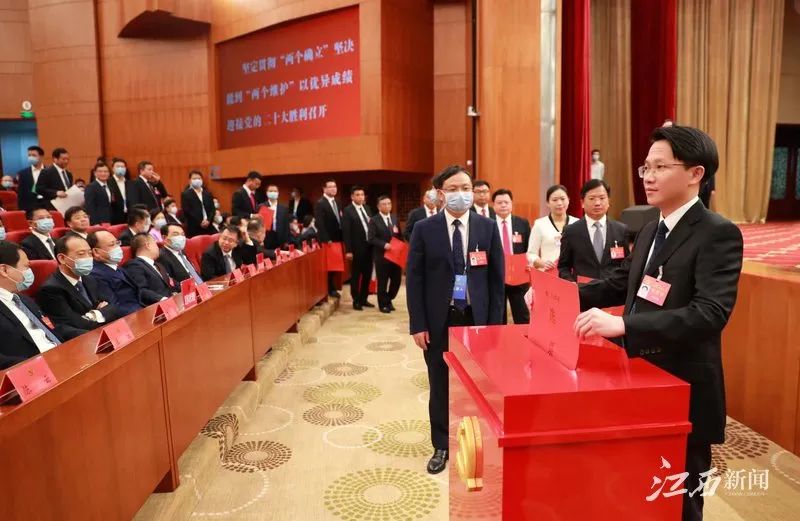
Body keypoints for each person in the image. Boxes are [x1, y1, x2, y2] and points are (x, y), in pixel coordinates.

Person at [573, 125, 743, 521]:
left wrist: (626, 327)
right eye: (645, 167)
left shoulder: (718, 233)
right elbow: (624, 282)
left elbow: (710, 313)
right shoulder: (651, 227)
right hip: (637, 378)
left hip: (683, 390)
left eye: (660, 167)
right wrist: (563, 294)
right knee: (636, 490)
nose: (648, 176)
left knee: (679, 502)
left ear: (696, 174)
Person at [406, 164, 505, 474]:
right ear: (440, 194)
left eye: (465, 188)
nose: (460, 194)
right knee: (440, 384)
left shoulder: (487, 228)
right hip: (439, 321)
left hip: (477, 320)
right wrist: (418, 325)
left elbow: (496, 282)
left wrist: (495, 327)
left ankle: (476, 439)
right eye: (453, 189)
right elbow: (415, 280)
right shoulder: (424, 229)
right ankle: (441, 445)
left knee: (477, 383)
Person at [0, 241, 67, 369]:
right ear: (4, 270)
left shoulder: (23, 299)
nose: (29, 272)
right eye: (26, 267)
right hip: (34, 371)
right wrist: (39, 366)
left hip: (61, 357)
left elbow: (51, 329)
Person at [37, 235, 120, 335]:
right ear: (62, 258)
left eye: (90, 253)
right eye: (81, 254)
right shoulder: (50, 289)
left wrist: (92, 315)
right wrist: (101, 314)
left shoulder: (90, 278)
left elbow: (113, 307)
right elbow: (75, 324)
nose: (88, 258)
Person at [558, 179, 629, 282]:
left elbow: (626, 264)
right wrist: (571, 283)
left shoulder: (621, 230)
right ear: (582, 203)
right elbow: (563, 267)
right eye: (592, 198)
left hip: (613, 289)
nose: (597, 203)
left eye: (602, 198)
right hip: (583, 290)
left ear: (608, 201)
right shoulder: (571, 231)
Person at [492, 189, 531, 324]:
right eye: (499, 203)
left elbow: (529, 248)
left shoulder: (522, 223)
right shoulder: (487, 224)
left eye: (506, 202)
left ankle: (524, 336)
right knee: (498, 315)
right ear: (493, 205)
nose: (503, 205)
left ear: (511, 204)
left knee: (522, 314)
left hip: (518, 276)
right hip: (496, 274)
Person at [87, 230, 143, 315]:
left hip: (140, 308)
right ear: (96, 252)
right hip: (130, 316)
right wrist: (142, 313)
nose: (118, 248)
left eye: (117, 243)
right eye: (112, 245)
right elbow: (114, 307)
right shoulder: (95, 275)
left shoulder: (114, 265)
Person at [527, 184, 579, 271]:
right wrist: (542, 263)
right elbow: (531, 253)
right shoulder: (540, 224)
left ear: (568, 200)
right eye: (555, 200)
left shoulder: (577, 223)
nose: (559, 203)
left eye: (563, 199)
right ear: (548, 203)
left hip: (571, 274)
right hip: (548, 273)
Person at [368, 195, 402, 314]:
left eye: (389, 203)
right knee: (382, 281)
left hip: (395, 256)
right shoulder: (374, 220)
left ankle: (388, 299)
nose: (387, 206)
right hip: (382, 256)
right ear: (378, 206)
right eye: (384, 204)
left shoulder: (394, 218)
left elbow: (399, 236)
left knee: (396, 281)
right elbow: (371, 238)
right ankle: (383, 304)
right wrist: (383, 245)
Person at [342, 185, 374, 310]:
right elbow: (346, 232)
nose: (360, 197)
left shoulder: (367, 208)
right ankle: (356, 300)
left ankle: (364, 298)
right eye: (357, 195)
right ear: (352, 197)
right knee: (356, 275)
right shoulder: (348, 211)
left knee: (367, 274)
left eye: (362, 195)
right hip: (356, 248)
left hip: (368, 247)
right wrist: (348, 250)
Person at [124, 233, 176, 300]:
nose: (158, 248)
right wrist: (163, 299)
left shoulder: (158, 264)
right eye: (155, 244)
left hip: (172, 300)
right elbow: (142, 291)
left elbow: (171, 282)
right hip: (159, 303)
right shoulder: (134, 266)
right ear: (148, 245)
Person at [315, 178, 343, 297]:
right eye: (330, 186)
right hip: (328, 240)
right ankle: (329, 288)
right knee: (330, 266)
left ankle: (332, 287)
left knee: (336, 265)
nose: (333, 189)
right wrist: (326, 239)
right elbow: (320, 223)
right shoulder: (320, 203)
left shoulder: (337, 202)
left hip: (338, 238)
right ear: (324, 189)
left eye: (334, 186)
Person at [181, 170, 216, 237]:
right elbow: (187, 211)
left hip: (209, 225)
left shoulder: (207, 193)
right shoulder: (186, 194)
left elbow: (212, 209)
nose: (197, 180)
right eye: (194, 178)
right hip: (194, 227)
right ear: (190, 180)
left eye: (199, 178)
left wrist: (208, 220)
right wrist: (200, 222)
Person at [16, 145, 46, 212]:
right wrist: (21, 210)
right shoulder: (23, 173)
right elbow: (21, 194)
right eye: (29, 155)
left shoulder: (50, 171)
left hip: (47, 205)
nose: (31, 157)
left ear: (41, 157)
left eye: (34, 155)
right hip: (30, 207)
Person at [263, 183, 290, 250]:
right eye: (270, 191)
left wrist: (287, 241)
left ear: (278, 193)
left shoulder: (284, 208)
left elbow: (286, 225)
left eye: (275, 191)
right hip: (266, 238)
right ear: (267, 193)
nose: (273, 193)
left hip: (280, 238)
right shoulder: (262, 207)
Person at [109, 158, 131, 224]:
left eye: (122, 167)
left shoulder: (130, 183)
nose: (120, 168)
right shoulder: (108, 182)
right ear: (113, 169)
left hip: (129, 216)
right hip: (114, 217)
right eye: (118, 166)